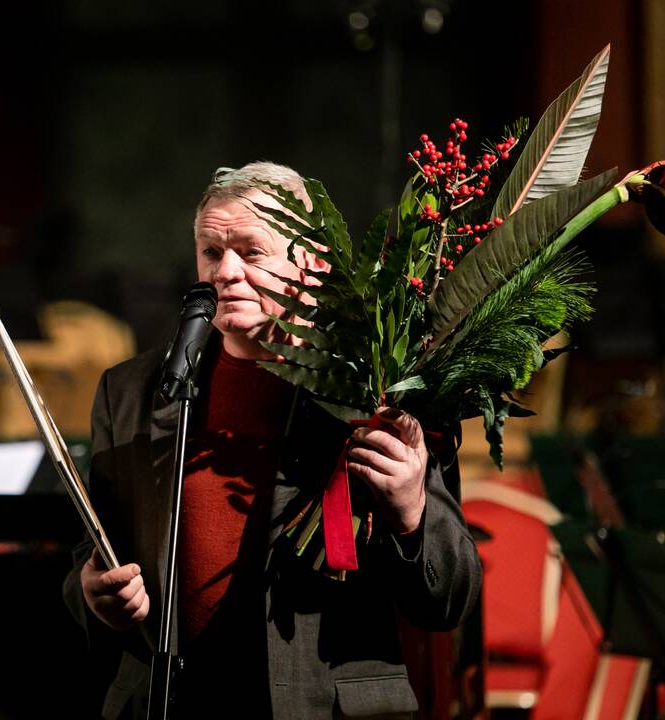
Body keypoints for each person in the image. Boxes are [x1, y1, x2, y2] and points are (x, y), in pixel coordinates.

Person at [63, 162, 482, 719]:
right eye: (211, 252)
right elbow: (89, 555)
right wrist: (94, 595)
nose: (226, 272)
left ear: (311, 263)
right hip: (168, 701)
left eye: (251, 251)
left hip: (317, 705)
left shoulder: (377, 389)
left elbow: (449, 599)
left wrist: (410, 511)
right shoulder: (133, 390)